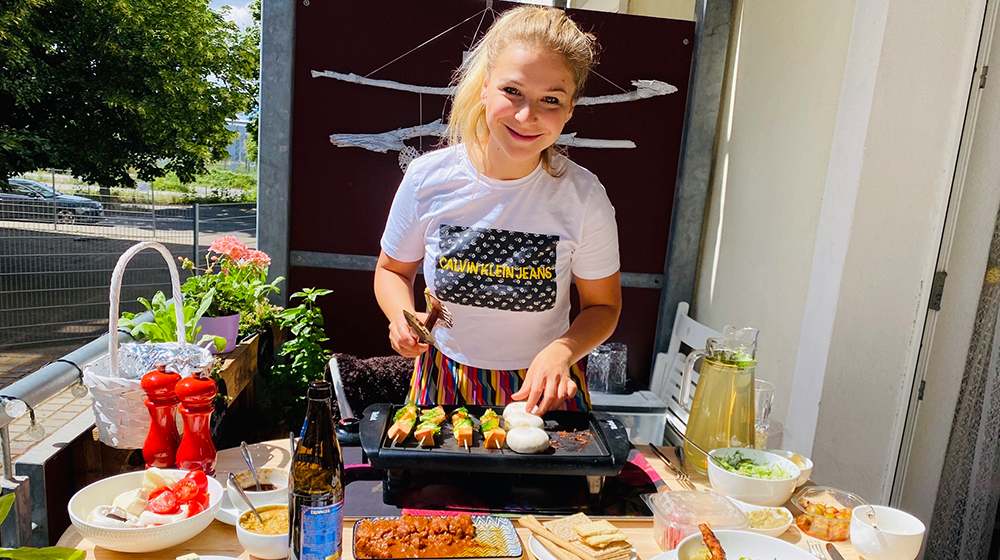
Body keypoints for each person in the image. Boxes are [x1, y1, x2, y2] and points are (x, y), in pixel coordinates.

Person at [374, 6, 621, 415]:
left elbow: (604, 306)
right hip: (443, 382)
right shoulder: (427, 178)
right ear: (485, 88)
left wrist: (563, 351)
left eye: (551, 99)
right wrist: (401, 316)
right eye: (512, 91)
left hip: (544, 391)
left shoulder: (584, 196)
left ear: (571, 108)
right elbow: (392, 271)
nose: (528, 116)